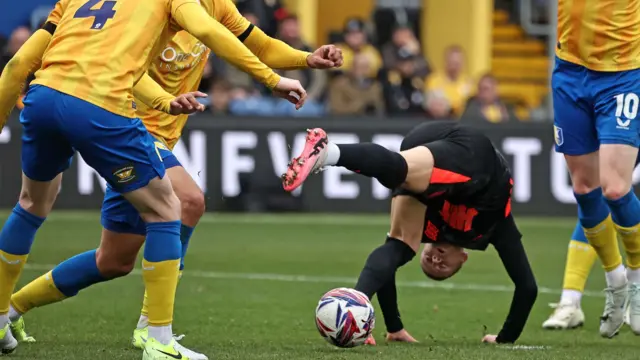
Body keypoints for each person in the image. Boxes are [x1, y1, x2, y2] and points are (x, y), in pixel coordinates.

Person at [0, 1, 343, 359]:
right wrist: (269, 80)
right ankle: (153, 331)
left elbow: (258, 42)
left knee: (113, 260)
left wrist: (306, 58)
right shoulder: (160, 8)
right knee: (185, 203)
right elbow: (133, 67)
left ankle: (11, 308)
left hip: (85, 107)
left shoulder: (217, 5)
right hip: (124, 120)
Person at [282, 121, 538, 344]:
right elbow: (527, 287)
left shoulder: (424, 227)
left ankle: (357, 303)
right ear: (463, 258)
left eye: (431, 265)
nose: (436, 261)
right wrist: (506, 339)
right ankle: (328, 152)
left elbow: (386, 266)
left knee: (399, 245)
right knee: (401, 169)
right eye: (443, 267)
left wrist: (394, 327)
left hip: (421, 139)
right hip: (477, 162)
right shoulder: (496, 226)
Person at [553, 0, 640, 338]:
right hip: (570, 72)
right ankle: (615, 281)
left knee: (616, 188)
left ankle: (635, 277)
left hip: (622, 74)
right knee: (584, 188)